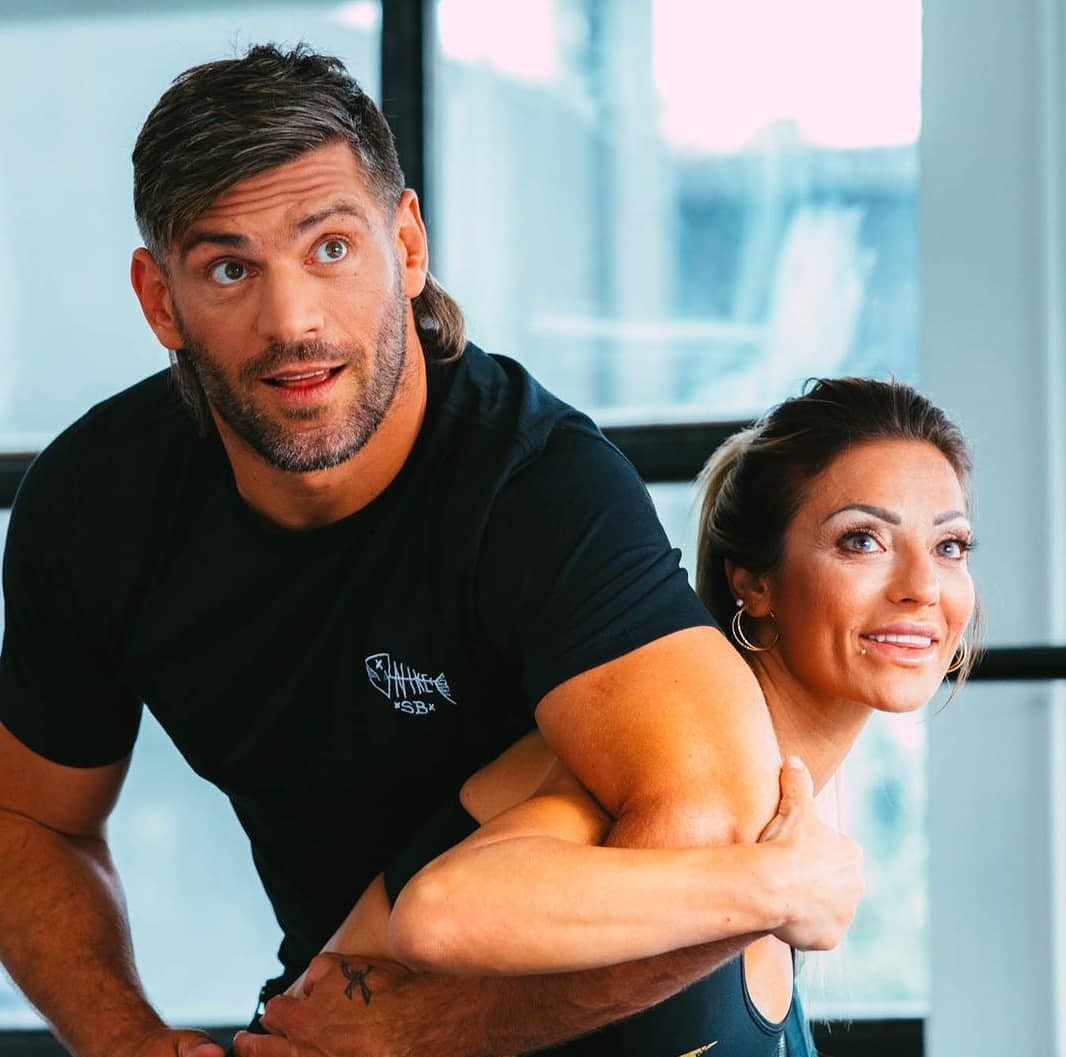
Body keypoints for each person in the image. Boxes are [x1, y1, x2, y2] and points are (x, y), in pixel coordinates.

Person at [0, 44, 861, 1057]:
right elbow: (32, 819)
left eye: (331, 248)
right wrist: (124, 1039)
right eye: (230, 268)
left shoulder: (538, 487)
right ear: (160, 302)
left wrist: (421, 1033)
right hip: (353, 1005)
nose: (292, 321)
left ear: (407, 246)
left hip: (650, 1015)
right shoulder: (99, 505)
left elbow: (706, 828)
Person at [239, 376, 978, 1057]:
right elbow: (440, 910)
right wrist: (775, 886)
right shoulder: (681, 749)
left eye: (949, 546)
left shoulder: (796, 804)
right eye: (862, 540)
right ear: (754, 583)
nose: (922, 586)